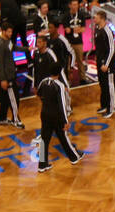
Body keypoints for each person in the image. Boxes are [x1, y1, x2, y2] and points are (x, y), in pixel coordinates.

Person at [34, 41, 83, 173]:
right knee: (63, 138)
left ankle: (42, 164)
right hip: (56, 116)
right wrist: (65, 121)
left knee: (44, 139)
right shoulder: (59, 86)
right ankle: (74, 157)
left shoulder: (44, 82)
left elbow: (38, 94)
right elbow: (62, 104)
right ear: (59, 72)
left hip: (44, 114)